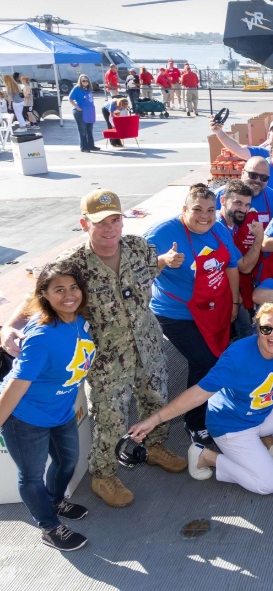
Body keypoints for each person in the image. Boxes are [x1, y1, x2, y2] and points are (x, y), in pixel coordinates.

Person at [1, 190, 189, 508]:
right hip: (106, 358)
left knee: (156, 400)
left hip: (148, 345)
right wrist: (10, 326)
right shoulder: (72, 264)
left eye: (115, 220)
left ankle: (155, 446)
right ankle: (104, 475)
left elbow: (149, 268)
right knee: (110, 418)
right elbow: (37, 295)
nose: (110, 228)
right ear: (84, 223)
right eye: (100, 222)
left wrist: (166, 261)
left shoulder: (138, 246)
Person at [128, 301, 273, 495]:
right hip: (231, 424)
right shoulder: (237, 356)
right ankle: (206, 457)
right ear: (257, 329)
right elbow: (198, 394)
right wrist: (154, 420)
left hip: (261, 411)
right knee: (268, 484)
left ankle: (263, 438)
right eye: (266, 329)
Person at [0, 262, 95, 551]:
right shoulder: (41, 338)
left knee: (67, 461)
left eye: (73, 287)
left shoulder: (78, 320)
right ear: (44, 294)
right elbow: (15, 386)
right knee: (31, 476)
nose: (69, 295)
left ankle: (55, 502)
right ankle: (50, 527)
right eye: (59, 290)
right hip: (25, 418)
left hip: (62, 411)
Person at [144, 184, 242, 446]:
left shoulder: (218, 229)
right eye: (197, 209)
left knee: (214, 359)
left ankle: (210, 405)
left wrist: (234, 303)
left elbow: (232, 265)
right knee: (206, 361)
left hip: (214, 309)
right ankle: (194, 421)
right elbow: (133, 270)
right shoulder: (162, 233)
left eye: (210, 210)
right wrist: (163, 261)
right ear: (184, 210)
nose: (204, 216)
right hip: (176, 313)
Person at [217, 180, 265, 338]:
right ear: (223, 200)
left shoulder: (233, 223)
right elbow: (245, 267)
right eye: (238, 203)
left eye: (247, 205)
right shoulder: (218, 227)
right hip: (219, 297)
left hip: (231, 292)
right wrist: (259, 238)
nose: (243, 209)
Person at [68, 75, 98, 152]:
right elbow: (70, 99)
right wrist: (77, 107)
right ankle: (84, 147)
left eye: (86, 81)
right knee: (82, 130)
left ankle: (91, 145)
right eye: (83, 81)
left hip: (89, 111)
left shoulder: (88, 89)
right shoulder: (77, 88)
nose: (85, 82)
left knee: (89, 129)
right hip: (80, 112)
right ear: (80, 82)